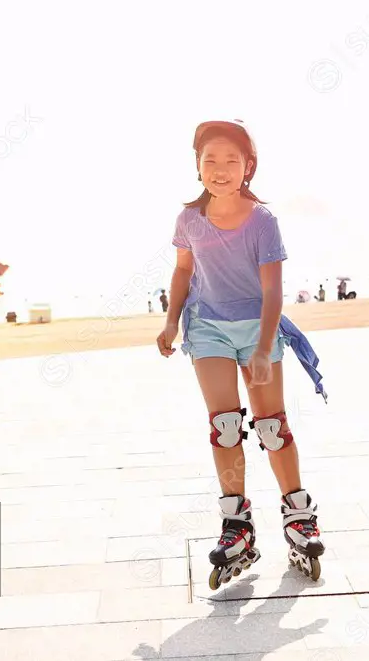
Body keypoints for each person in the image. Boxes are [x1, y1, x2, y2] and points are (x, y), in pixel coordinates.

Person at [156, 119, 326, 588]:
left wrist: (266, 346)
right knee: (225, 425)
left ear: (248, 166)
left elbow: (273, 290)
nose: (220, 169)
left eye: (231, 160)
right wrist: (171, 320)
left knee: (272, 427)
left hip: (258, 328)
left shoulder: (262, 221)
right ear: (197, 166)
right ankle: (237, 526)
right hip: (206, 327)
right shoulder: (188, 220)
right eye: (210, 159)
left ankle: (298, 515)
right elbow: (182, 272)